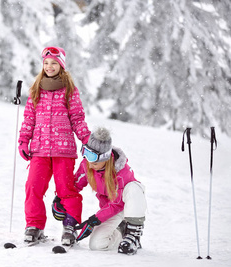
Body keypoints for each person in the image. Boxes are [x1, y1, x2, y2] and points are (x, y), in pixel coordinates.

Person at [18, 46, 90, 246]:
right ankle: (34, 226)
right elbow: (29, 119)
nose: (49, 67)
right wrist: (24, 140)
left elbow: (77, 118)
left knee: (66, 189)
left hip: (63, 150)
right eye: (46, 63)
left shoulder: (69, 90)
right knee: (33, 187)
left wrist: (87, 140)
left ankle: (70, 226)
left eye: (54, 63)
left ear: (61, 66)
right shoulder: (36, 89)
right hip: (39, 149)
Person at [71, 127, 147, 255]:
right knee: (97, 245)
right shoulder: (88, 164)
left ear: (105, 157)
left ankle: (133, 235)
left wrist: (95, 219)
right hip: (110, 209)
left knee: (134, 187)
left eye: (93, 157)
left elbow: (118, 203)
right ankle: (121, 230)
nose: (89, 161)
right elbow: (75, 185)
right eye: (86, 153)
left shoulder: (121, 171)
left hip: (127, 206)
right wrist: (62, 197)